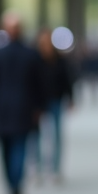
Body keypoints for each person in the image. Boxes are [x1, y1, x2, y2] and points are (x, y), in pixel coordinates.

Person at [0, 12, 45, 194]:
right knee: (19, 148)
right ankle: (16, 184)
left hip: (3, 108)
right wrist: (39, 107)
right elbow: (40, 84)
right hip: (24, 108)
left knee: (6, 149)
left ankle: (11, 183)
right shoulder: (31, 54)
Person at [26, 28, 74, 184]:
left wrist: (70, 98)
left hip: (55, 100)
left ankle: (54, 169)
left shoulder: (59, 60)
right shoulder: (34, 59)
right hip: (37, 103)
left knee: (56, 136)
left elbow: (66, 80)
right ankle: (36, 168)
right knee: (35, 137)